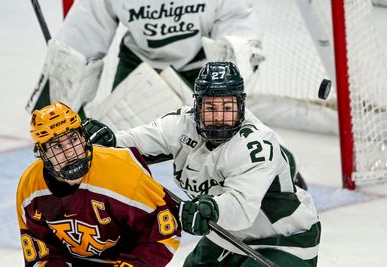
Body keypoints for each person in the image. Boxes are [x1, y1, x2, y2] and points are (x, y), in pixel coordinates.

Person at [84, 62, 321, 266]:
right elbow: (136, 142)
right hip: (226, 236)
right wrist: (110, 140)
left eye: (227, 108)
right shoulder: (180, 124)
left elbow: (240, 209)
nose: (219, 117)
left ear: (241, 106)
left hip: (285, 239)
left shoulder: (255, 143)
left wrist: (211, 209)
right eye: (211, 108)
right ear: (197, 106)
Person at [25, 0, 264, 127]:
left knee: (234, 152)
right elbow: (77, 47)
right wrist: (56, 114)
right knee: (107, 152)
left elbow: (237, 28)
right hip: (139, 63)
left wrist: (227, 83)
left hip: (202, 69)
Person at [16, 101, 181, 267]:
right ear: (42, 153)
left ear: (83, 136)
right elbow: (42, 252)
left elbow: (164, 233)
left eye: (73, 139)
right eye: (57, 146)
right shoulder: (31, 187)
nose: (70, 152)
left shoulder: (121, 170)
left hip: (127, 259)